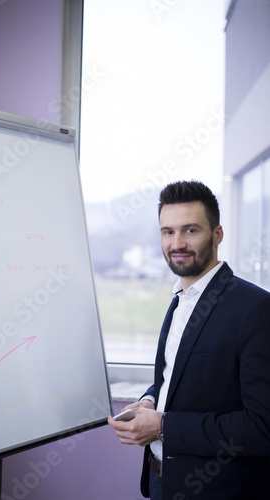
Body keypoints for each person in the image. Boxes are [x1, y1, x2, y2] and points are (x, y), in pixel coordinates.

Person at [108, 180, 270, 500]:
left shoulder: (256, 308)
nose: (177, 243)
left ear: (217, 234)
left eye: (190, 230)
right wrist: (151, 401)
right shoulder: (180, 300)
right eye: (168, 232)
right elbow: (175, 378)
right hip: (160, 481)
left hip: (215, 490)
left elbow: (261, 427)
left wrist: (164, 426)